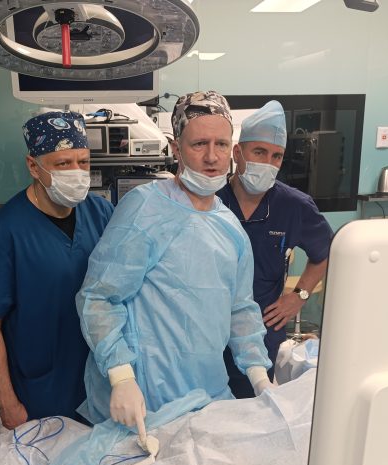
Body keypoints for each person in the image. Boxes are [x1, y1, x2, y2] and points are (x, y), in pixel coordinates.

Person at [76, 91, 273, 442]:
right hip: (144, 400)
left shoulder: (230, 228)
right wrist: (121, 377)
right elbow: (99, 297)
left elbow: (240, 309)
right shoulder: (145, 209)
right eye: (199, 144)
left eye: (220, 144)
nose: (212, 156)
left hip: (208, 395)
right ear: (176, 148)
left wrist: (260, 379)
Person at [0, 111, 113, 430]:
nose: (76, 172)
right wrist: (7, 402)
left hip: (103, 376)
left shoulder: (101, 213)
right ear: (33, 166)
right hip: (43, 388)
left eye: (83, 162)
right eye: (63, 163)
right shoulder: (5, 232)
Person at [218, 101, 333, 397]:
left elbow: (327, 252)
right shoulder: (212, 200)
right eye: (259, 152)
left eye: (276, 156)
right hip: (208, 332)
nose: (268, 163)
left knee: (251, 409)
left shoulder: (294, 206)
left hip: (261, 332)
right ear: (237, 153)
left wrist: (299, 296)